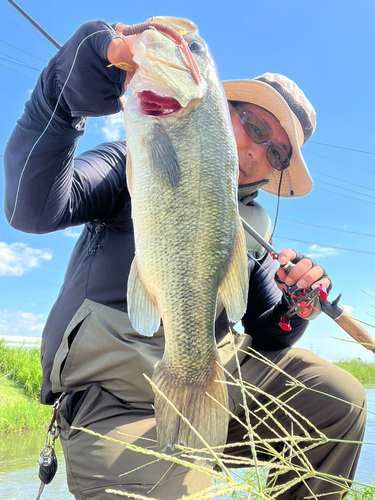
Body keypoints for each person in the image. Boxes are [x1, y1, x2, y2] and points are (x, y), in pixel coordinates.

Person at [3, 19, 366, 500]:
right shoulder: (135, 157)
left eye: (277, 152)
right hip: (116, 399)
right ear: (221, 110)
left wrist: (294, 311)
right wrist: (66, 90)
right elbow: (31, 209)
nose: (256, 150)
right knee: (177, 491)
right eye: (253, 124)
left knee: (339, 400)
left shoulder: (254, 225)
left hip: (212, 378)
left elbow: (262, 328)